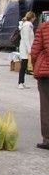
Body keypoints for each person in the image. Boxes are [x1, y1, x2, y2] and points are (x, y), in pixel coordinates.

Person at [31, 19, 49, 150]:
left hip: (46, 73)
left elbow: (35, 51)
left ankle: (47, 138)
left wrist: (36, 64)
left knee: (46, 105)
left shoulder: (44, 27)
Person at [17, 11, 36, 89]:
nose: (35, 19)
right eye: (34, 17)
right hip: (25, 48)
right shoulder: (27, 26)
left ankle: (22, 82)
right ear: (32, 18)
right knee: (23, 66)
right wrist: (29, 49)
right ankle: (20, 82)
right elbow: (26, 38)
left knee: (24, 66)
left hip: (26, 47)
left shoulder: (27, 25)